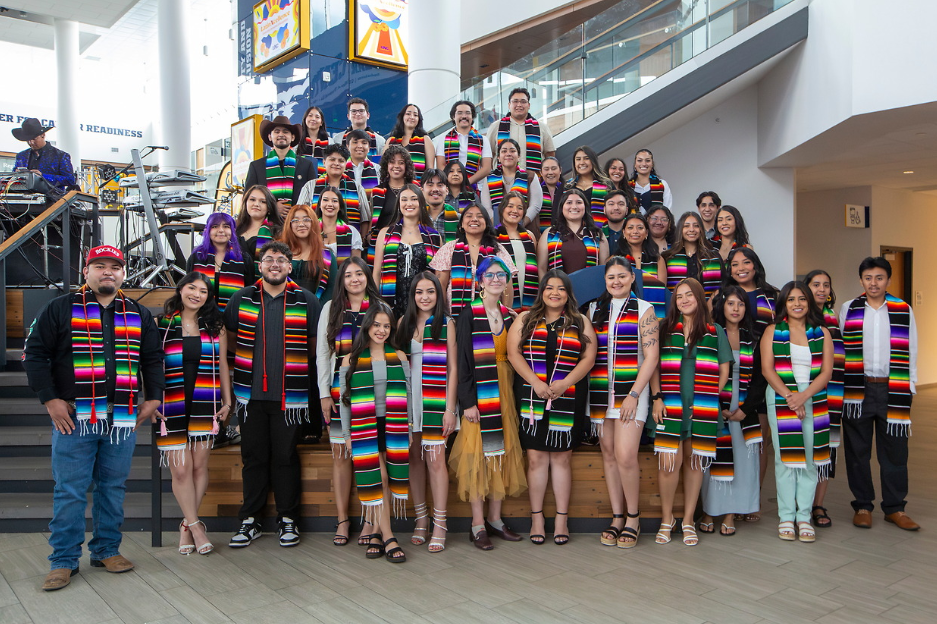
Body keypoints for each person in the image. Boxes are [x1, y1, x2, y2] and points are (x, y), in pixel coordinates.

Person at [24, 245, 164, 591]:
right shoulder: (59, 309)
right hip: (75, 417)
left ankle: (105, 550)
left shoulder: (139, 313)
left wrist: (154, 397)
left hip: (122, 418)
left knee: (113, 488)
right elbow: (34, 355)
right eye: (99, 266)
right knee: (70, 490)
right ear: (85, 272)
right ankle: (63, 560)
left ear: (123, 273)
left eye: (114, 267)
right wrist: (50, 400)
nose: (107, 272)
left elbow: (152, 358)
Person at [224, 241, 320, 549]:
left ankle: (287, 519)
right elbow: (231, 342)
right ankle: (249, 519)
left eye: (281, 260)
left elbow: (315, 346)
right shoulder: (242, 299)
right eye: (269, 260)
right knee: (252, 458)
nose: (275, 264)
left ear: (290, 266)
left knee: (285, 457)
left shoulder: (305, 300)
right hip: (250, 395)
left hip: (289, 397)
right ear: (260, 266)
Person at [508, 270, 596, 546]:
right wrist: (534, 382)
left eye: (560, 288)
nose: (554, 293)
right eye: (549, 288)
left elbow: (589, 357)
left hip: (567, 396)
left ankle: (561, 520)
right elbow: (514, 353)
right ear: (542, 291)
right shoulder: (525, 318)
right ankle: (536, 519)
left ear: (568, 293)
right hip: (532, 396)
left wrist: (565, 383)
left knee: (561, 459)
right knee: (535, 459)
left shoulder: (580, 321)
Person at [647, 278, 732, 546]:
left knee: (694, 462)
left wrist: (709, 401)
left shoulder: (715, 330)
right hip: (670, 403)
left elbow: (724, 369)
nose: (683, 300)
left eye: (689, 295)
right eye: (678, 296)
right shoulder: (665, 328)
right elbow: (653, 367)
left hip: (701, 405)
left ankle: (688, 520)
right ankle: (666, 518)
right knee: (669, 462)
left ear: (699, 297)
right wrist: (657, 397)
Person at [451, 257, 527, 550]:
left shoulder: (511, 315)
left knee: (502, 454)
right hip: (480, 395)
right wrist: (467, 402)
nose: (496, 279)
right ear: (480, 280)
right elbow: (462, 362)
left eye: (502, 275)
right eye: (490, 275)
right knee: (477, 457)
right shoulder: (469, 314)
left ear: (508, 281)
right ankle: (477, 524)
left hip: (505, 392)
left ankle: (496, 520)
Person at [838, 257, 919, 531]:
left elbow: (912, 350)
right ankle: (862, 505)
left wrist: (911, 387)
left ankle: (895, 508)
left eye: (880, 278)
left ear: (888, 280)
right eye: (868, 278)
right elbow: (840, 350)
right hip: (856, 388)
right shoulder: (849, 308)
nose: (874, 283)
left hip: (891, 388)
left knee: (895, 453)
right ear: (861, 280)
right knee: (857, 452)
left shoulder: (902, 309)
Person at [156, 272, 232, 556]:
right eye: (192, 287)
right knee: (182, 469)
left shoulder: (215, 326)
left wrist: (227, 401)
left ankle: (185, 527)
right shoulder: (161, 324)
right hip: (170, 404)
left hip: (205, 402)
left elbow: (223, 364)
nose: (196, 294)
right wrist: (151, 401)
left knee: (199, 467)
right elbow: (149, 366)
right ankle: (196, 527)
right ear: (181, 289)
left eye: (203, 290)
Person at [586, 258, 659, 548]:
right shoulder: (594, 310)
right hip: (601, 395)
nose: (616, 281)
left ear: (631, 278)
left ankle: (633, 518)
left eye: (621, 276)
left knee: (626, 455)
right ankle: (617, 516)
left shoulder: (645, 310)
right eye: (611, 277)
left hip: (632, 395)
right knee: (609, 455)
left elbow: (651, 357)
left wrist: (634, 394)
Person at [316, 257, 382, 547]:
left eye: (360, 274)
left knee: (370, 457)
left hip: (372, 390)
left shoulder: (381, 309)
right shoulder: (331, 309)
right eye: (348, 275)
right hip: (338, 390)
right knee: (341, 456)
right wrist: (322, 394)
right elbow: (322, 354)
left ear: (368, 276)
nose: (354, 279)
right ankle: (343, 519)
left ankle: (370, 519)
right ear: (341, 280)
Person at [762, 281, 833, 542]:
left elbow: (826, 372)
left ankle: (804, 517)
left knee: (810, 460)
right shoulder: (772, 331)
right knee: (785, 460)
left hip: (813, 396)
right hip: (782, 395)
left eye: (802, 299)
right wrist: (791, 397)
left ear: (809, 302)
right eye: (791, 299)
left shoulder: (821, 332)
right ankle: (786, 517)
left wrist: (803, 396)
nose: (797, 304)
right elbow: (767, 369)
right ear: (784, 304)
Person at [341, 303, 410, 562]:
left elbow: (410, 395)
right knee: (379, 476)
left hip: (393, 425)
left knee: (389, 479)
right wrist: (347, 435)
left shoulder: (399, 356)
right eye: (376, 324)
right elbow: (344, 401)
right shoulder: (351, 359)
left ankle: (377, 534)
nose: (381, 330)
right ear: (367, 325)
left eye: (386, 326)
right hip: (364, 426)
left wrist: (410, 427)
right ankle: (390, 536)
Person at [397, 273, 457, 552]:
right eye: (419, 292)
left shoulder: (447, 324)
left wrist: (449, 409)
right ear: (412, 296)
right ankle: (421, 518)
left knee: (435, 461)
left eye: (430, 292)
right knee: (414, 460)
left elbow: (453, 369)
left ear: (439, 295)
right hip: (409, 402)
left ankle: (440, 523)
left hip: (436, 402)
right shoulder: (403, 324)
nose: (424, 297)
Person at [698, 286, 765, 537]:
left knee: (744, 461)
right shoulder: (711, 333)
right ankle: (709, 511)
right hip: (715, 403)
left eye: (741, 304)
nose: (736, 309)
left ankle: (730, 513)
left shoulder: (753, 337)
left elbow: (760, 378)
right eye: (730, 304)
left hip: (744, 407)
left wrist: (745, 410)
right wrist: (719, 406)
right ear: (721, 307)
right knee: (712, 457)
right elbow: (703, 371)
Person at [804, 270, 844, 528]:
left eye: (826, 285)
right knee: (803, 449)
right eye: (816, 284)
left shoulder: (834, 319)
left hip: (832, 394)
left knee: (826, 451)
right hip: (805, 394)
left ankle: (818, 504)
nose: (821, 289)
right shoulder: (799, 319)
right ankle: (801, 504)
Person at [431, 204, 516, 317]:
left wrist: (504, 314)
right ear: (461, 224)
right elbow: (441, 284)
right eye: (469, 216)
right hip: (454, 316)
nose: (474, 219)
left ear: (486, 223)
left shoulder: (498, 250)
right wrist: (443, 315)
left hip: (492, 318)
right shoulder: (449, 249)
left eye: (480, 216)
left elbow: (507, 285)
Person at [372, 184, 443, 318]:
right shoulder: (385, 234)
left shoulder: (433, 236)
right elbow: (376, 272)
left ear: (421, 203)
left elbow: (438, 276)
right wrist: (375, 303)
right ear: (398, 204)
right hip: (390, 301)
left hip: (422, 301)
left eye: (413, 199)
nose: (408, 203)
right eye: (404, 200)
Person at [244, 116, 317, 220]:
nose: (281, 135)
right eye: (277, 132)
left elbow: (313, 198)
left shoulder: (306, 165)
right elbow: (248, 199)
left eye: (285, 132)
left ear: (292, 137)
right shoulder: (256, 166)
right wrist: (272, 207)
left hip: (297, 223)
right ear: (270, 137)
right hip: (266, 224)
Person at [186, 211, 255, 311]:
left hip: (233, 317)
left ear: (233, 231)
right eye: (215, 226)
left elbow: (249, 291)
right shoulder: (196, 257)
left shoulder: (244, 259)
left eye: (226, 226)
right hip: (200, 317)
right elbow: (189, 288)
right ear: (207, 230)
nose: (221, 230)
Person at [538, 188, 609, 275]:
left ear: (585, 207)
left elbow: (603, 269)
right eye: (569, 202)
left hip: (589, 287)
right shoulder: (550, 234)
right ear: (562, 207)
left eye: (579, 202)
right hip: (558, 287)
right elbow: (541, 268)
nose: (574, 207)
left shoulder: (597, 235)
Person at [486, 87, 556, 175]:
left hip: (534, 181)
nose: (519, 105)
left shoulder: (541, 127)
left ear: (529, 105)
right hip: (503, 182)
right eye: (515, 101)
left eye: (523, 102)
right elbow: (489, 155)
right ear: (509, 105)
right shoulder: (496, 126)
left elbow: (549, 154)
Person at [297, 144, 364, 232]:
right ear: (324, 162)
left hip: (349, 239)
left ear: (346, 164)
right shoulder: (310, 186)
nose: (336, 163)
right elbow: (299, 213)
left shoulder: (356, 187)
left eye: (341, 161)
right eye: (332, 159)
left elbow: (365, 218)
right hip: (315, 237)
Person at [366, 145, 416, 262]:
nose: (396, 166)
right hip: (382, 243)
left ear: (407, 166)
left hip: (409, 242)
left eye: (401, 162)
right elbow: (373, 218)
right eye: (392, 162)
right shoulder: (377, 191)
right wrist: (369, 234)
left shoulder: (416, 189)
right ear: (386, 165)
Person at [479, 138, 543, 227]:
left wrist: (519, 225)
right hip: (497, 230)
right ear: (498, 157)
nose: (508, 154)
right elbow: (486, 207)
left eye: (512, 151)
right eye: (504, 151)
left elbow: (535, 205)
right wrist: (499, 226)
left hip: (525, 229)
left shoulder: (530, 176)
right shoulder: (490, 178)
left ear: (519, 156)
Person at [617, 213, 668, 319]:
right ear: (623, 232)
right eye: (630, 228)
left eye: (640, 228)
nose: (635, 231)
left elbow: (662, 290)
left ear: (646, 233)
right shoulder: (615, 260)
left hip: (654, 314)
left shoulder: (658, 260)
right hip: (623, 316)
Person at [496, 192, 540, 312]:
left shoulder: (530, 236)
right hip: (503, 293)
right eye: (510, 206)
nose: (515, 211)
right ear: (502, 209)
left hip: (529, 293)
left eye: (519, 208)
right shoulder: (493, 236)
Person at [280, 204, 334, 301]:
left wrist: (317, 310)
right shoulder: (280, 252)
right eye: (295, 220)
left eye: (306, 220)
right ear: (289, 225)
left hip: (316, 310)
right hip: (283, 308)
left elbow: (332, 288)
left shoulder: (327, 255)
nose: (301, 224)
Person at [662, 212, 723, 297]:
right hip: (678, 307)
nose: (691, 229)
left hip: (709, 307)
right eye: (686, 226)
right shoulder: (668, 257)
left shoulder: (713, 257)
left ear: (701, 229)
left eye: (696, 226)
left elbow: (722, 286)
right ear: (680, 229)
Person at [434, 100, 492, 187]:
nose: (464, 116)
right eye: (460, 113)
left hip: (475, 188)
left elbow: (486, 168)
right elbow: (441, 166)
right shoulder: (443, 140)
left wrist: (466, 182)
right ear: (453, 116)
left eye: (467, 113)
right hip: (450, 188)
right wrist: (454, 182)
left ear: (472, 116)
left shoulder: (483, 140)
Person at [11, 118, 76, 192]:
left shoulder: (60, 156)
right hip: (24, 197)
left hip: (53, 199)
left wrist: (43, 176)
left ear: (43, 135)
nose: (31, 142)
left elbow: (70, 180)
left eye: (34, 139)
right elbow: (13, 176)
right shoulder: (21, 156)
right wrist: (16, 174)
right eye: (28, 140)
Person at [235, 184, 283, 270]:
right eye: (252, 200)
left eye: (263, 201)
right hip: (234, 280)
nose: (256, 204)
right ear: (245, 202)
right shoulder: (234, 228)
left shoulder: (277, 232)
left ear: (269, 208)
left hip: (261, 281)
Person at [565, 146, 612, 228]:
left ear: (593, 161)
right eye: (578, 159)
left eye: (586, 158)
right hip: (573, 232)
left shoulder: (606, 184)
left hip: (602, 231)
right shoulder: (568, 186)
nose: (582, 162)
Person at [316, 186, 364, 266]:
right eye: (325, 200)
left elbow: (356, 265)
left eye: (334, 201)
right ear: (320, 205)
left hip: (342, 276)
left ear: (340, 206)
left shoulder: (352, 232)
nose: (330, 204)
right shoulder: (311, 229)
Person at [385, 103, 436, 176]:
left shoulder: (425, 140)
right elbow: (384, 166)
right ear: (402, 117)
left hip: (417, 185)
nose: (412, 117)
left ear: (419, 119)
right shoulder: (391, 141)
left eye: (415, 115)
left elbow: (430, 170)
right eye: (408, 114)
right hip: (393, 185)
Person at [333, 97, 385, 163]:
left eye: (361, 111)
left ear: (368, 115)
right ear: (348, 116)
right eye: (354, 111)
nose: (357, 114)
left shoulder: (379, 141)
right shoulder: (338, 139)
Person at [421, 168, 460, 243]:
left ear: (447, 190)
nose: (435, 189)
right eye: (430, 185)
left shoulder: (459, 219)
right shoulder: (415, 218)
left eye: (440, 185)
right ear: (422, 191)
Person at [345, 129, 380, 206]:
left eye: (364, 143)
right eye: (355, 142)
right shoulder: (341, 169)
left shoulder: (378, 169)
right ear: (347, 146)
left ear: (369, 147)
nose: (360, 146)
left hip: (371, 213)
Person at [536, 156, 565, 233]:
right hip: (541, 236)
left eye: (554, 168)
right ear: (541, 172)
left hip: (564, 236)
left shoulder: (567, 190)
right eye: (546, 169)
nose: (550, 172)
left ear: (560, 170)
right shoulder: (535, 191)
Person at [297, 105, 330, 174]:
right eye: (310, 115)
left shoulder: (330, 141)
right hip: (301, 180)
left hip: (323, 181)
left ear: (321, 122)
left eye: (317, 117)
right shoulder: (297, 141)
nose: (313, 119)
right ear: (305, 119)